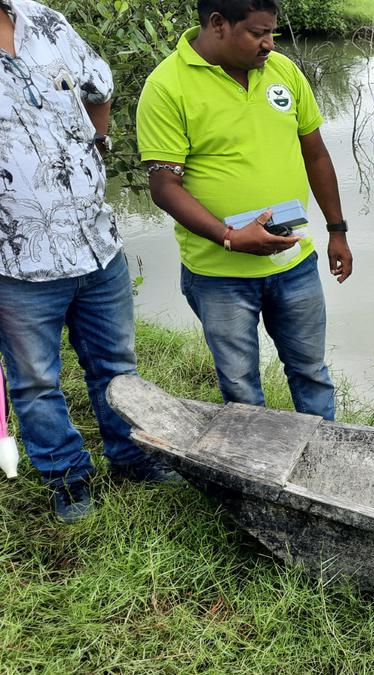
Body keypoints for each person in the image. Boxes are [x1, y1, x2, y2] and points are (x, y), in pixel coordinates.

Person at [0, 0, 181, 523]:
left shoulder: (46, 21)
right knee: (34, 380)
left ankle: (130, 456)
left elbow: (98, 88)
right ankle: (66, 474)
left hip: (96, 243)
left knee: (117, 365)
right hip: (16, 263)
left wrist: (97, 141)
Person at [137, 0, 353, 422]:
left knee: (311, 372)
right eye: (258, 33)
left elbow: (316, 155)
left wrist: (337, 230)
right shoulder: (167, 86)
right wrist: (231, 237)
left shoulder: (284, 72)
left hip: (294, 261)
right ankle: (254, 478)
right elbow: (164, 187)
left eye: (272, 32)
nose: (270, 44)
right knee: (240, 385)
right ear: (218, 24)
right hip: (219, 275)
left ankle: (324, 462)